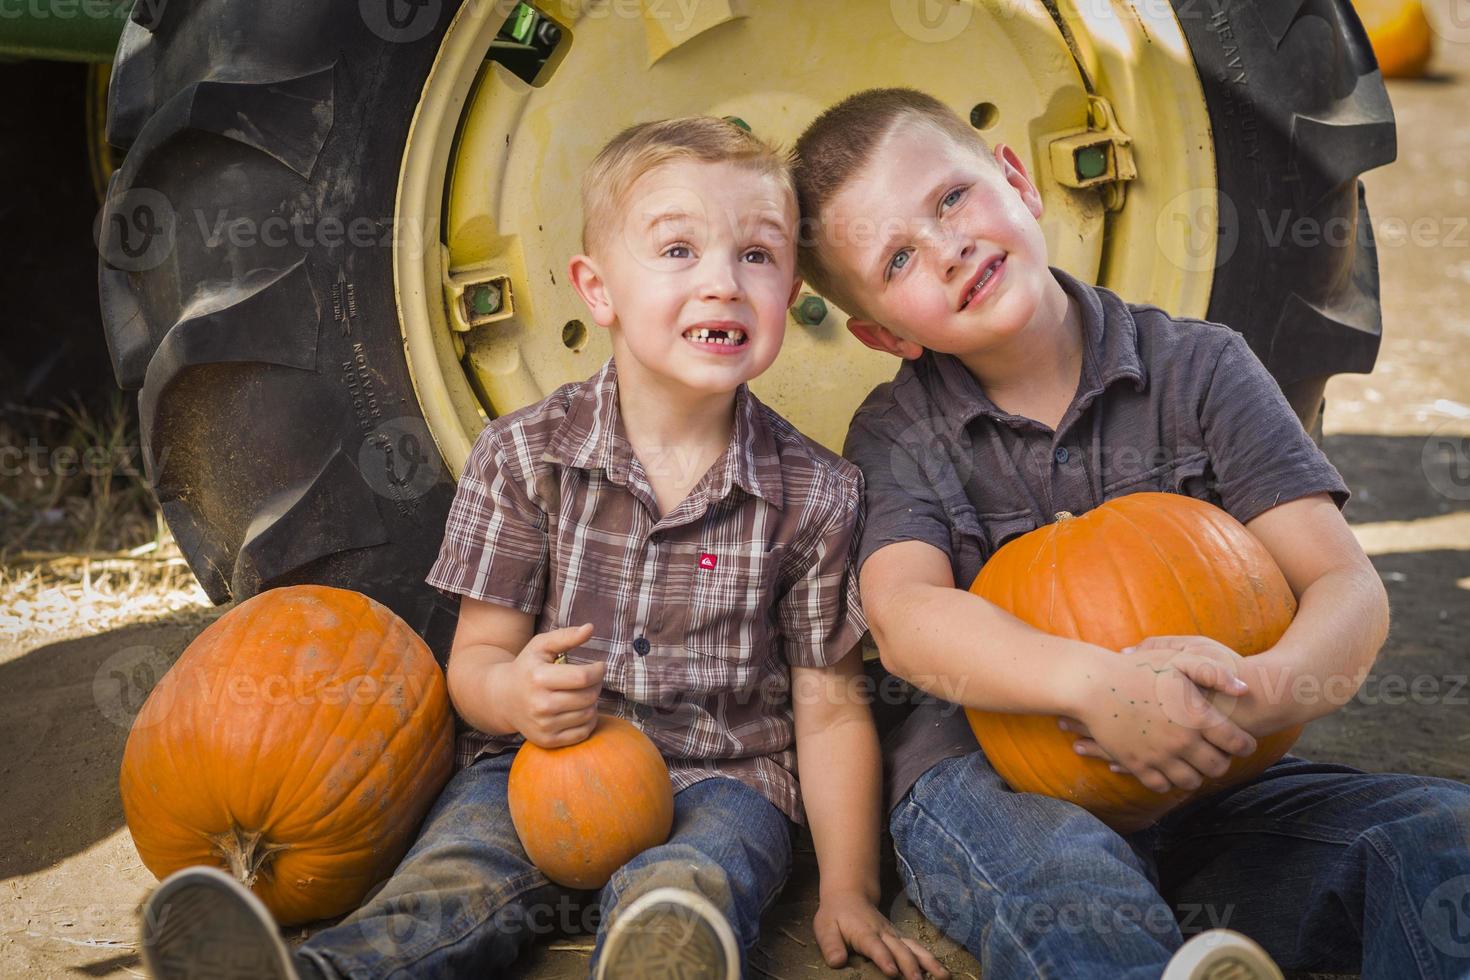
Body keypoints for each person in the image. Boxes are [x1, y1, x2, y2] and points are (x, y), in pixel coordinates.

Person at [136, 116, 949, 980]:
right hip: (538, 763)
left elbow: (828, 708)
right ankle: (322, 973)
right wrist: (514, 695)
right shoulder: (524, 458)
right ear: (597, 291)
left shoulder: (817, 494)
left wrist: (849, 889)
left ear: (791, 291)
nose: (723, 282)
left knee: (701, 876)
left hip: (726, 775)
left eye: (758, 254)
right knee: (458, 874)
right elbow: (476, 663)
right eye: (678, 251)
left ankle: (659, 956)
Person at [789, 87, 1470, 980]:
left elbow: (1346, 588)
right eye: (900, 258)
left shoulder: (1203, 367)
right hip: (997, 787)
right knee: (1073, 886)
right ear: (883, 334)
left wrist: (1259, 693)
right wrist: (1095, 685)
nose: (948, 248)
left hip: (1211, 782)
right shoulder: (898, 432)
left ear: (1016, 180)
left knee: (1433, 838)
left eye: (951, 199)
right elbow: (909, 616)